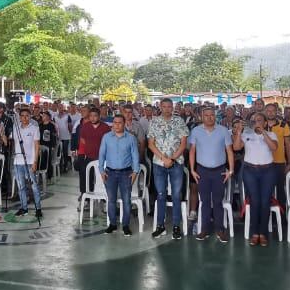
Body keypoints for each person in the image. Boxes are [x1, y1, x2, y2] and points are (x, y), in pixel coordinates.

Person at [189, 106, 235, 243]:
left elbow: (229, 151)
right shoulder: (196, 131)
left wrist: (231, 170)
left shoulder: (223, 131)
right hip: (202, 170)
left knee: (218, 201)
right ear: (202, 117)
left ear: (216, 116)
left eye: (212, 115)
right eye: (207, 115)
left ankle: (220, 229)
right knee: (204, 201)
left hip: (219, 171)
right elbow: (192, 151)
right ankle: (204, 229)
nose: (210, 117)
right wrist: (192, 169)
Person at [147, 97, 189, 240]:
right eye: (164, 106)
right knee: (160, 194)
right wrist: (163, 158)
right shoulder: (154, 122)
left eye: (169, 106)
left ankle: (176, 226)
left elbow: (183, 144)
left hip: (176, 162)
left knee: (177, 194)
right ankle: (160, 225)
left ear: (173, 107)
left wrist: (172, 159)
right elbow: (151, 144)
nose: (167, 109)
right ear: (160, 107)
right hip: (159, 164)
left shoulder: (179, 121)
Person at [236, 112, 278, 246]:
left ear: (265, 123)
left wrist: (263, 133)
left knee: (265, 202)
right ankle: (254, 233)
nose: (256, 123)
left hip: (268, 171)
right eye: (254, 121)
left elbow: (274, 147)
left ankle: (263, 233)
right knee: (255, 201)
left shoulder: (271, 135)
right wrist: (238, 132)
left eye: (259, 120)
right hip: (250, 171)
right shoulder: (246, 135)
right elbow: (236, 147)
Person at [99, 114, 140, 236]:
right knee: (111, 200)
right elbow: (101, 154)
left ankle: (126, 225)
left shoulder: (131, 138)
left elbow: (135, 156)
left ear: (124, 123)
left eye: (119, 123)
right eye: (115, 122)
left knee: (126, 201)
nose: (116, 125)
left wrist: (135, 171)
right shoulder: (106, 137)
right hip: (110, 173)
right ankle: (112, 224)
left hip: (126, 173)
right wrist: (101, 170)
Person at [11, 108, 42, 218]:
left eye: (27, 115)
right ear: (19, 117)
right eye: (22, 115)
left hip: (30, 161)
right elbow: (11, 142)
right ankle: (24, 208)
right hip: (17, 161)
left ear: (30, 116)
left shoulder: (34, 128)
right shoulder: (15, 128)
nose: (24, 118)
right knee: (21, 186)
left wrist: (35, 162)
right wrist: (2, 135)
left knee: (34, 185)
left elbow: (37, 146)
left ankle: (38, 208)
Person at [76, 108, 110, 199]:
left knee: (103, 177)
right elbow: (82, 139)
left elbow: (108, 141)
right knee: (85, 175)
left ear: (99, 116)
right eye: (91, 116)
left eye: (95, 116)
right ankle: (85, 195)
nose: (93, 118)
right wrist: (90, 145)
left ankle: (104, 197)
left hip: (102, 157)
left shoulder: (105, 127)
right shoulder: (85, 126)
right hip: (89, 156)